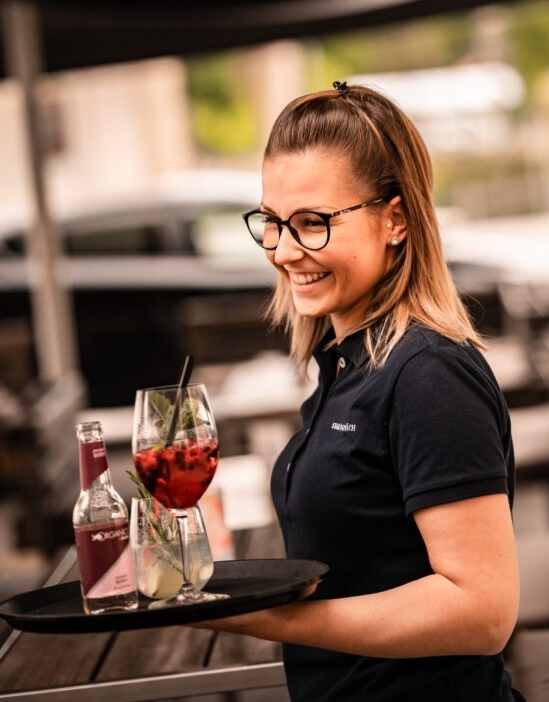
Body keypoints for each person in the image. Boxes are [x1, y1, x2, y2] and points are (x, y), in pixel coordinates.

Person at [198, 81, 526, 702]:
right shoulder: (348, 363)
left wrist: (262, 616)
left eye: (313, 223)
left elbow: (482, 613)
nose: (285, 250)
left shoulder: (429, 374)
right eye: (271, 222)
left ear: (395, 219)